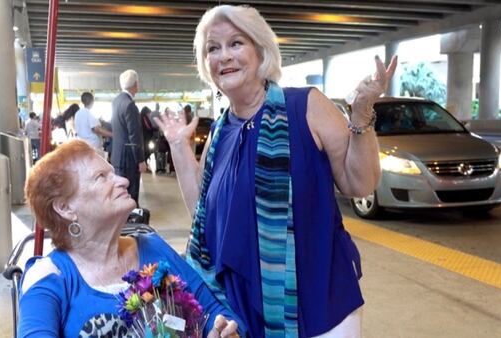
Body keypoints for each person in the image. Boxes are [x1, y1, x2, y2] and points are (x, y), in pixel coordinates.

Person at [153, 5, 398, 337]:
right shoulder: (220, 132)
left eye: (236, 43)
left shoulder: (307, 106)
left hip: (319, 305)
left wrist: (361, 114)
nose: (224, 56)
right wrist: (180, 147)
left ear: (260, 50)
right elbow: (204, 215)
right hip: (239, 309)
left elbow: (361, 182)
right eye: (213, 48)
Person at [18, 140, 242, 338]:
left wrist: (221, 330)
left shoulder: (152, 246)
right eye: (101, 177)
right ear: (65, 207)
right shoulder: (50, 276)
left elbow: (214, 310)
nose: (123, 181)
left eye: (113, 173)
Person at [110, 69, 146, 205]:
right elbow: (134, 136)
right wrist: (140, 160)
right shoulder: (130, 105)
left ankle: (122, 224)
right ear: (136, 84)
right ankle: (131, 223)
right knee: (131, 195)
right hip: (129, 159)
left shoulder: (116, 101)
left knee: (120, 194)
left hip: (117, 157)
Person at [74, 92, 112, 156]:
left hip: (82, 146)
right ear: (92, 101)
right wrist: (112, 135)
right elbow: (97, 129)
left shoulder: (78, 113)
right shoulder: (89, 114)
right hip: (92, 148)